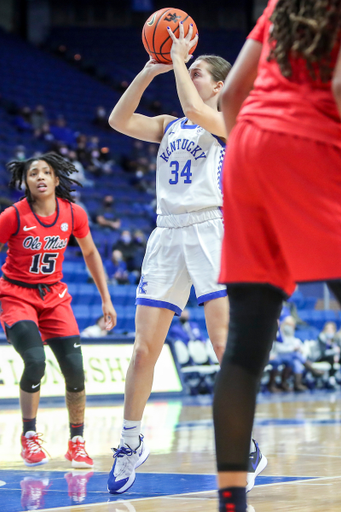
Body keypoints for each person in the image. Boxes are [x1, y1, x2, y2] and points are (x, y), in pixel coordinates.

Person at [106, 22, 265, 495]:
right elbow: (118, 121)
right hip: (166, 235)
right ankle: (130, 442)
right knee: (143, 350)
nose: (190, 75)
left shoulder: (226, 118)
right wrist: (150, 69)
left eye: (198, 71)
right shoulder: (168, 126)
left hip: (210, 230)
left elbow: (195, 108)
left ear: (220, 86)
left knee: (222, 345)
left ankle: (246, 444)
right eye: (188, 70)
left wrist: (178, 56)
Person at [214, 1, 341, 511]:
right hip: (311, 144)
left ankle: (230, 501)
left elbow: (231, 93)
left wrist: (256, 149)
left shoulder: (282, 4)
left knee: (245, 346)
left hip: (245, 150)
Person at [0, 152, 117, 468]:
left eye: (46, 172)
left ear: (55, 179)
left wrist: (106, 298)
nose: (39, 177)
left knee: (76, 371)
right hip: (16, 295)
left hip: (54, 297)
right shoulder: (13, 216)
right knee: (35, 361)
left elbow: (91, 252)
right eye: (33, 173)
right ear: (25, 182)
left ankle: (76, 442)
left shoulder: (73, 213)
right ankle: (29, 437)